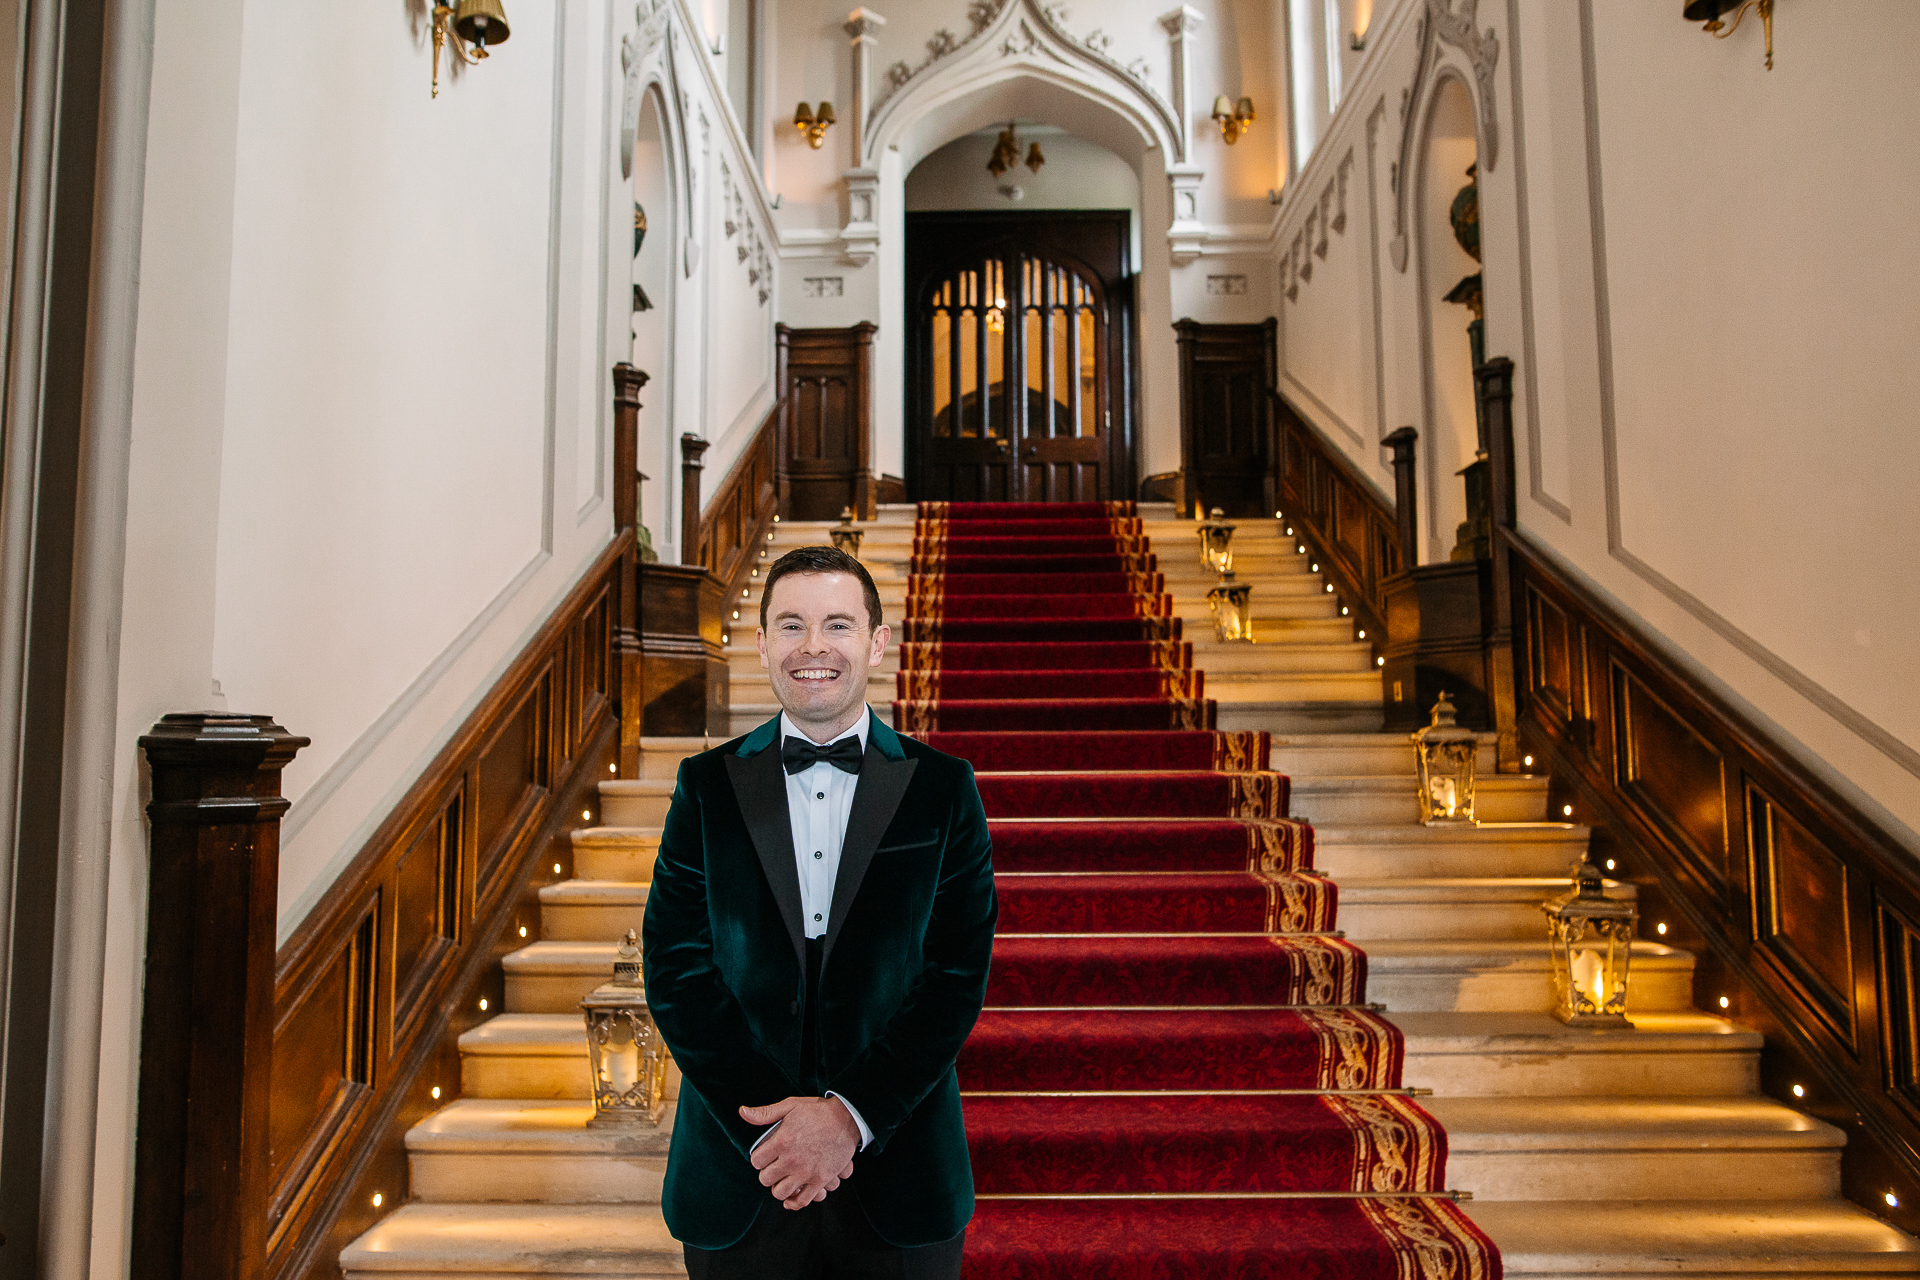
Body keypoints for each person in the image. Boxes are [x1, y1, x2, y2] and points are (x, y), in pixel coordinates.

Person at [641, 543, 996, 1279]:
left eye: (837, 625)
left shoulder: (944, 788)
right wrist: (777, 1135)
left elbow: (955, 976)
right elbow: (677, 971)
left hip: (901, 1177)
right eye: (792, 625)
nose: (814, 648)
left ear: (875, 642)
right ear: (763, 641)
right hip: (743, 1175)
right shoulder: (704, 787)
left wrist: (848, 1119)